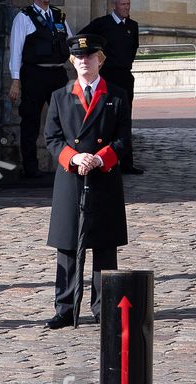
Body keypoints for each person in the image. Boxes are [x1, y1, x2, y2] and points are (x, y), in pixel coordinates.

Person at [43, 34, 131, 329]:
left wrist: (100, 157)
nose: (84, 61)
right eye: (79, 57)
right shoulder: (60, 96)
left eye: (89, 56)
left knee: (104, 245)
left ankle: (103, 306)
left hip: (103, 175)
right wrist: (74, 157)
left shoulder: (116, 95)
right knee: (67, 245)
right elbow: (52, 139)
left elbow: (122, 139)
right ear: (72, 61)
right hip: (71, 176)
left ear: (99, 60)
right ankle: (65, 307)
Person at [9, 0, 72, 180]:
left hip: (57, 73)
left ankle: (68, 162)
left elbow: (70, 43)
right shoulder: (24, 17)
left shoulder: (58, 15)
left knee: (66, 117)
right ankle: (30, 166)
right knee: (31, 120)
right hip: (34, 73)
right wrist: (15, 80)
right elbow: (16, 50)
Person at [80, 0, 144, 175]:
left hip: (124, 76)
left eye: (128, 4)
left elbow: (133, 48)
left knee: (125, 118)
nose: (127, 8)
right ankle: (101, 158)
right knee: (104, 117)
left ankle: (126, 162)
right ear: (114, 5)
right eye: (123, 4)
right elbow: (82, 38)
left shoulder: (133, 25)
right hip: (107, 76)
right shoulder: (102, 24)